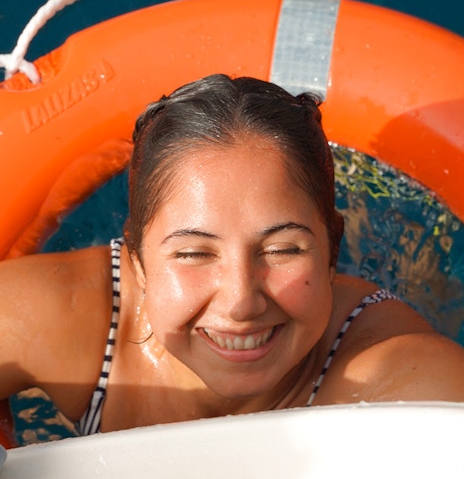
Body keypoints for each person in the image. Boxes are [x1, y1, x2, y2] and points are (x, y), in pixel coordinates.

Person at [1, 74, 464, 443]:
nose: (241, 303)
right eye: (194, 253)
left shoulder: (390, 379)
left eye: (282, 249)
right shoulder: (61, 320)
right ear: (139, 263)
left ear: (331, 254)